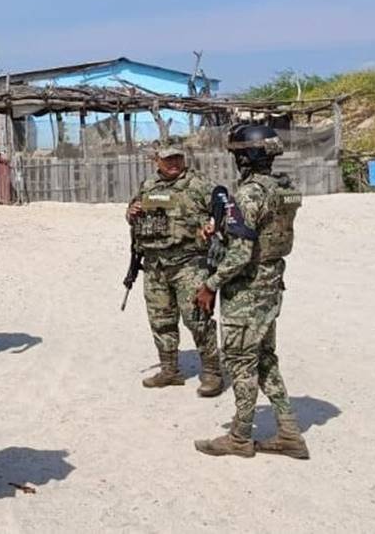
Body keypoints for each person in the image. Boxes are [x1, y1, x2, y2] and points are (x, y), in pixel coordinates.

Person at [194, 125, 309, 460]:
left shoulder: (248, 194)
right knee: (265, 359)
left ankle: (240, 437)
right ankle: (289, 433)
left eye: (237, 154)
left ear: (246, 156)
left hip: (247, 289)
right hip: (272, 283)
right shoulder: (287, 189)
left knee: (241, 362)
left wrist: (209, 285)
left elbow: (242, 253)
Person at [125, 145, 223, 395]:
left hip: (188, 264)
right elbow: (133, 211)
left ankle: (212, 372)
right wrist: (131, 212)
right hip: (155, 265)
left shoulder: (198, 184)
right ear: (156, 161)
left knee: (197, 319)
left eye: (178, 157)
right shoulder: (148, 185)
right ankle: (170, 370)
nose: (174, 163)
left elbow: (224, 208)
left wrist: (213, 225)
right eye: (168, 159)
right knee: (161, 320)